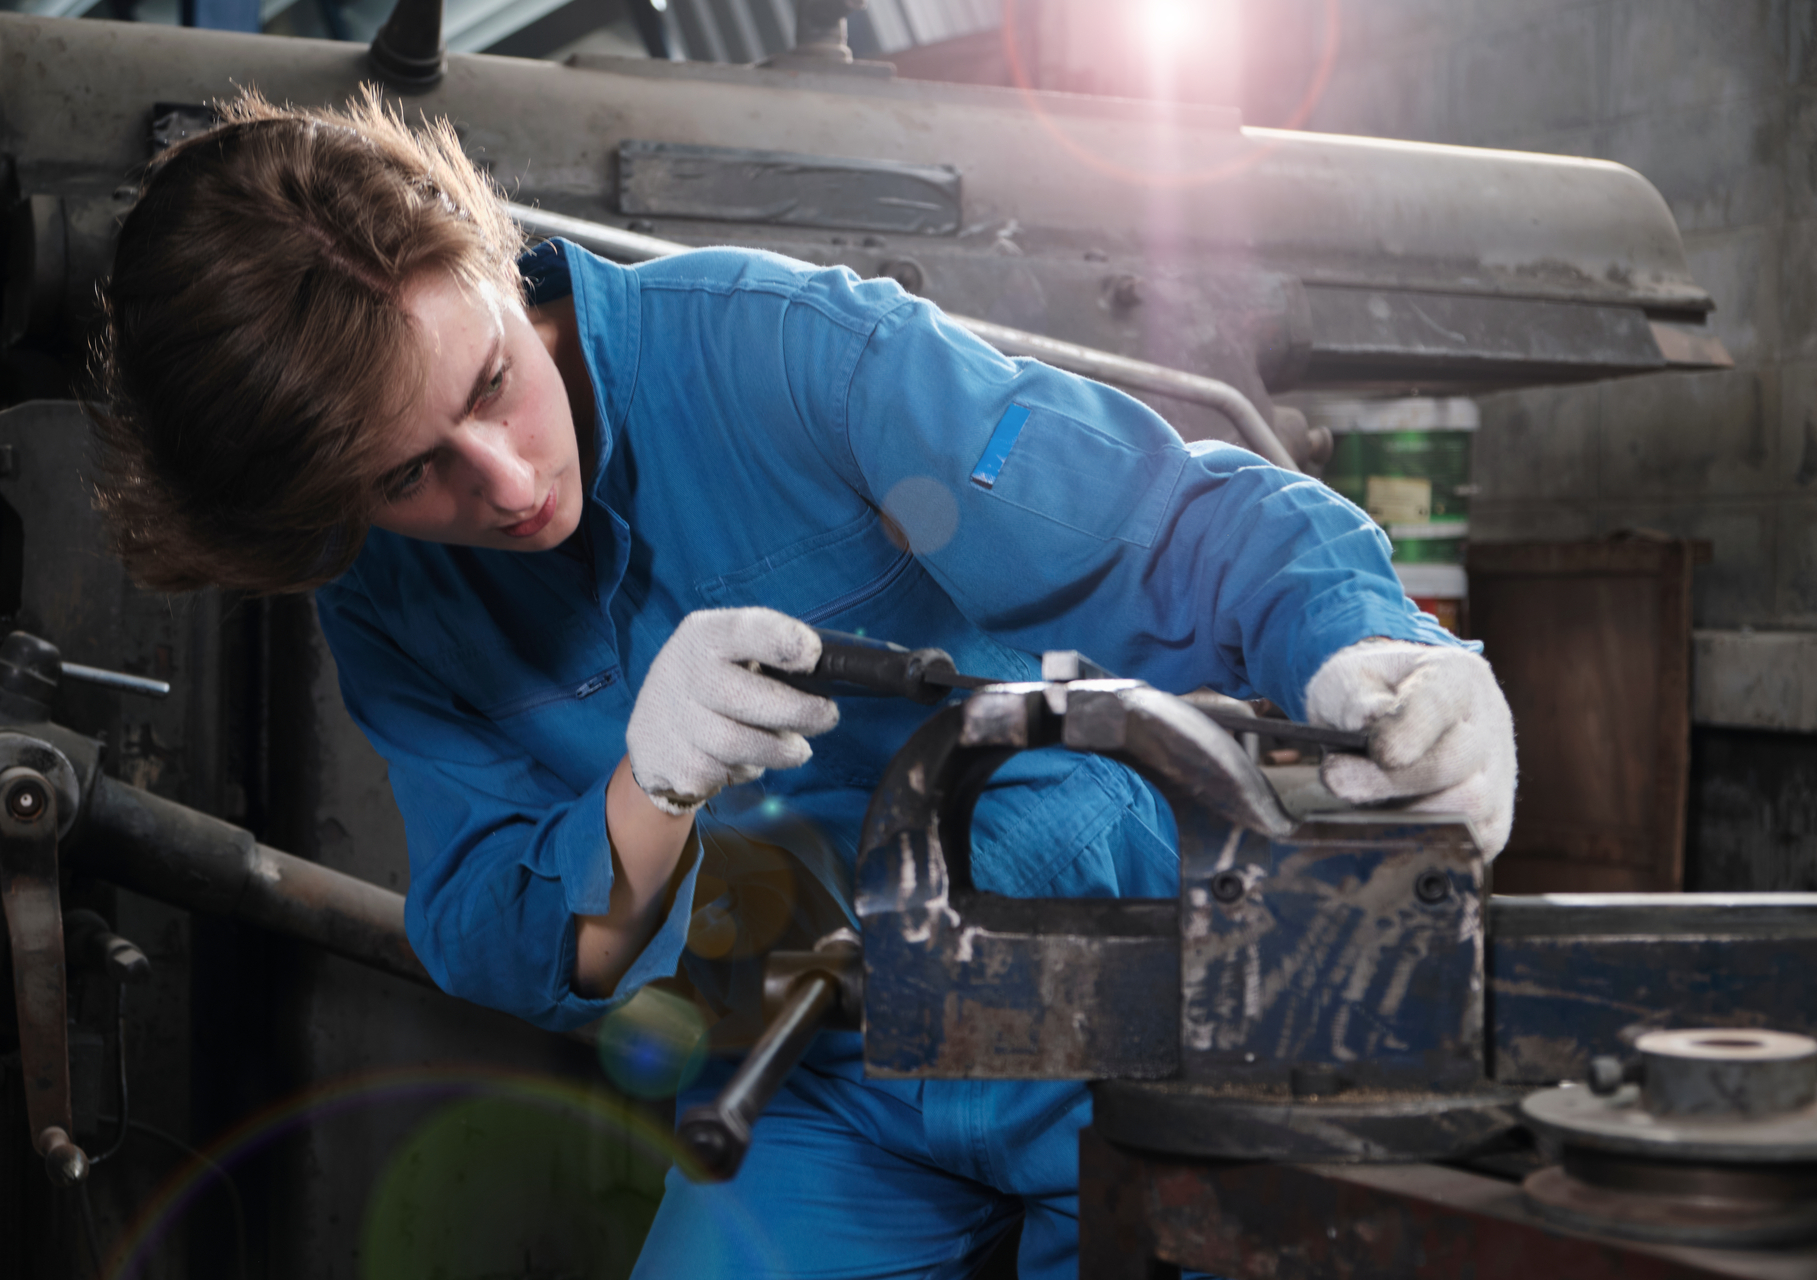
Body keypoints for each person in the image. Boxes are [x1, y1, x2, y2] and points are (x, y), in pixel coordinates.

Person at [92, 89, 1517, 1279]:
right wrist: (648, 791)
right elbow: (510, 941)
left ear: (487, 251)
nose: (512, 486)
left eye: (486, 387)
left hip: (1123, 1003)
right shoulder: (387, 598)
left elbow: (1176, 523)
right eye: (410, 477)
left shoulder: (786, 355)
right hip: (814, 1073)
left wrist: (1368, 653)